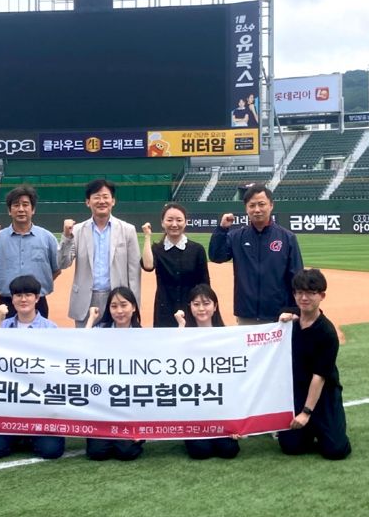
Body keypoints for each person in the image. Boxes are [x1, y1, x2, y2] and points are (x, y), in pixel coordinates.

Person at [0, 275, 65, 460]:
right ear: (12, 299)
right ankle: (18, 436)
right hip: (8, 407)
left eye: (28, 294)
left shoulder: (51, 329)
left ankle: (27, 437)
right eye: (18, 295)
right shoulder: (3, 325)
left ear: (37, 298)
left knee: (51, 451)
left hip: (38, 407)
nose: (23, 299)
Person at [277, 269, 351, 460]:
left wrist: (306, 413)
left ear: (321, 296)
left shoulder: (326, 332)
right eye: (300, 292)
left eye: (311, 293)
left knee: (335, 450)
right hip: (298, 391)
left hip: (324, 394)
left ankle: (328, 424)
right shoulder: (288, 319)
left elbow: (319, 376)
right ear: (294, 294)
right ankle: (309, 431)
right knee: (291, 447)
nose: (304, 297)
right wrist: (281, 322)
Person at [208, 183, 303, 325]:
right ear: (246, 208)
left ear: (271, 205)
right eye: (252, 205)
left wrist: (293, 310)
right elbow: (216, 256)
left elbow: (296, 276)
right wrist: (222, 229)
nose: (257, 209)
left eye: (261, 204)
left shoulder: (287, 238)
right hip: (246, 314)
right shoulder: (237, 237)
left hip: (279, 315)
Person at [58, 179, 141, 328]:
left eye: (105, 197)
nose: (101, 201)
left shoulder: (128, 230)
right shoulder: (76, 230)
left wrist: (135, 305)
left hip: (117, 299)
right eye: (96, 197)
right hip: (85, 299)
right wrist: (66, 237)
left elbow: (134, 273)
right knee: (85, 345)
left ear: (113, 201)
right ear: (88, 202)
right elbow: (63, 263)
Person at [172, 284, 240, 460]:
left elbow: (236, 377)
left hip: (220, 408)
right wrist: (181, 326)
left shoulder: (227, 335)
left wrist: (236, 423)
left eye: (206, 303)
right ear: (190, 307)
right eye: (196, 304)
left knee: (229, 450)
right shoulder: (185, 333)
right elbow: (173, 362)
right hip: (194, 408)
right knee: (200, 451)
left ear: (215, 306)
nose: (201, 309)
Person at [0, 185, 60, 318]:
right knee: (5, 338)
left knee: (37, 338)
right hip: (6, 302)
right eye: (16, 205)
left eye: (25, 204)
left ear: (33, 209)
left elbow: (56, 269)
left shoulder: (47, 237)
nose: (21, 209)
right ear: (9, 210)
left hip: (38, 302)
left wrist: (35, 288)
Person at [85, 286, 145, 460]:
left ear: (133, 307)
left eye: (124, 305)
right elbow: (80, 347)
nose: (119, 311)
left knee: (126, 453)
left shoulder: (145, 336)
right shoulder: (101, 331)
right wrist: (91, 320)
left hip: (131, 407)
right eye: (114, 306)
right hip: (104, 405)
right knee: (97, 453)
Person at [141, 202, 210, 328]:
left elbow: (205, 284)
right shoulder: (157, 249)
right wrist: (147, 236)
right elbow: (148, 266)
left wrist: (202, 309)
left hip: (191, 309)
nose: (174, 224)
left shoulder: (197, 250)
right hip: (164, 309)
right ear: (162, 222)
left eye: (179, 220)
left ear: (185, 222)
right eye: (169, 220)